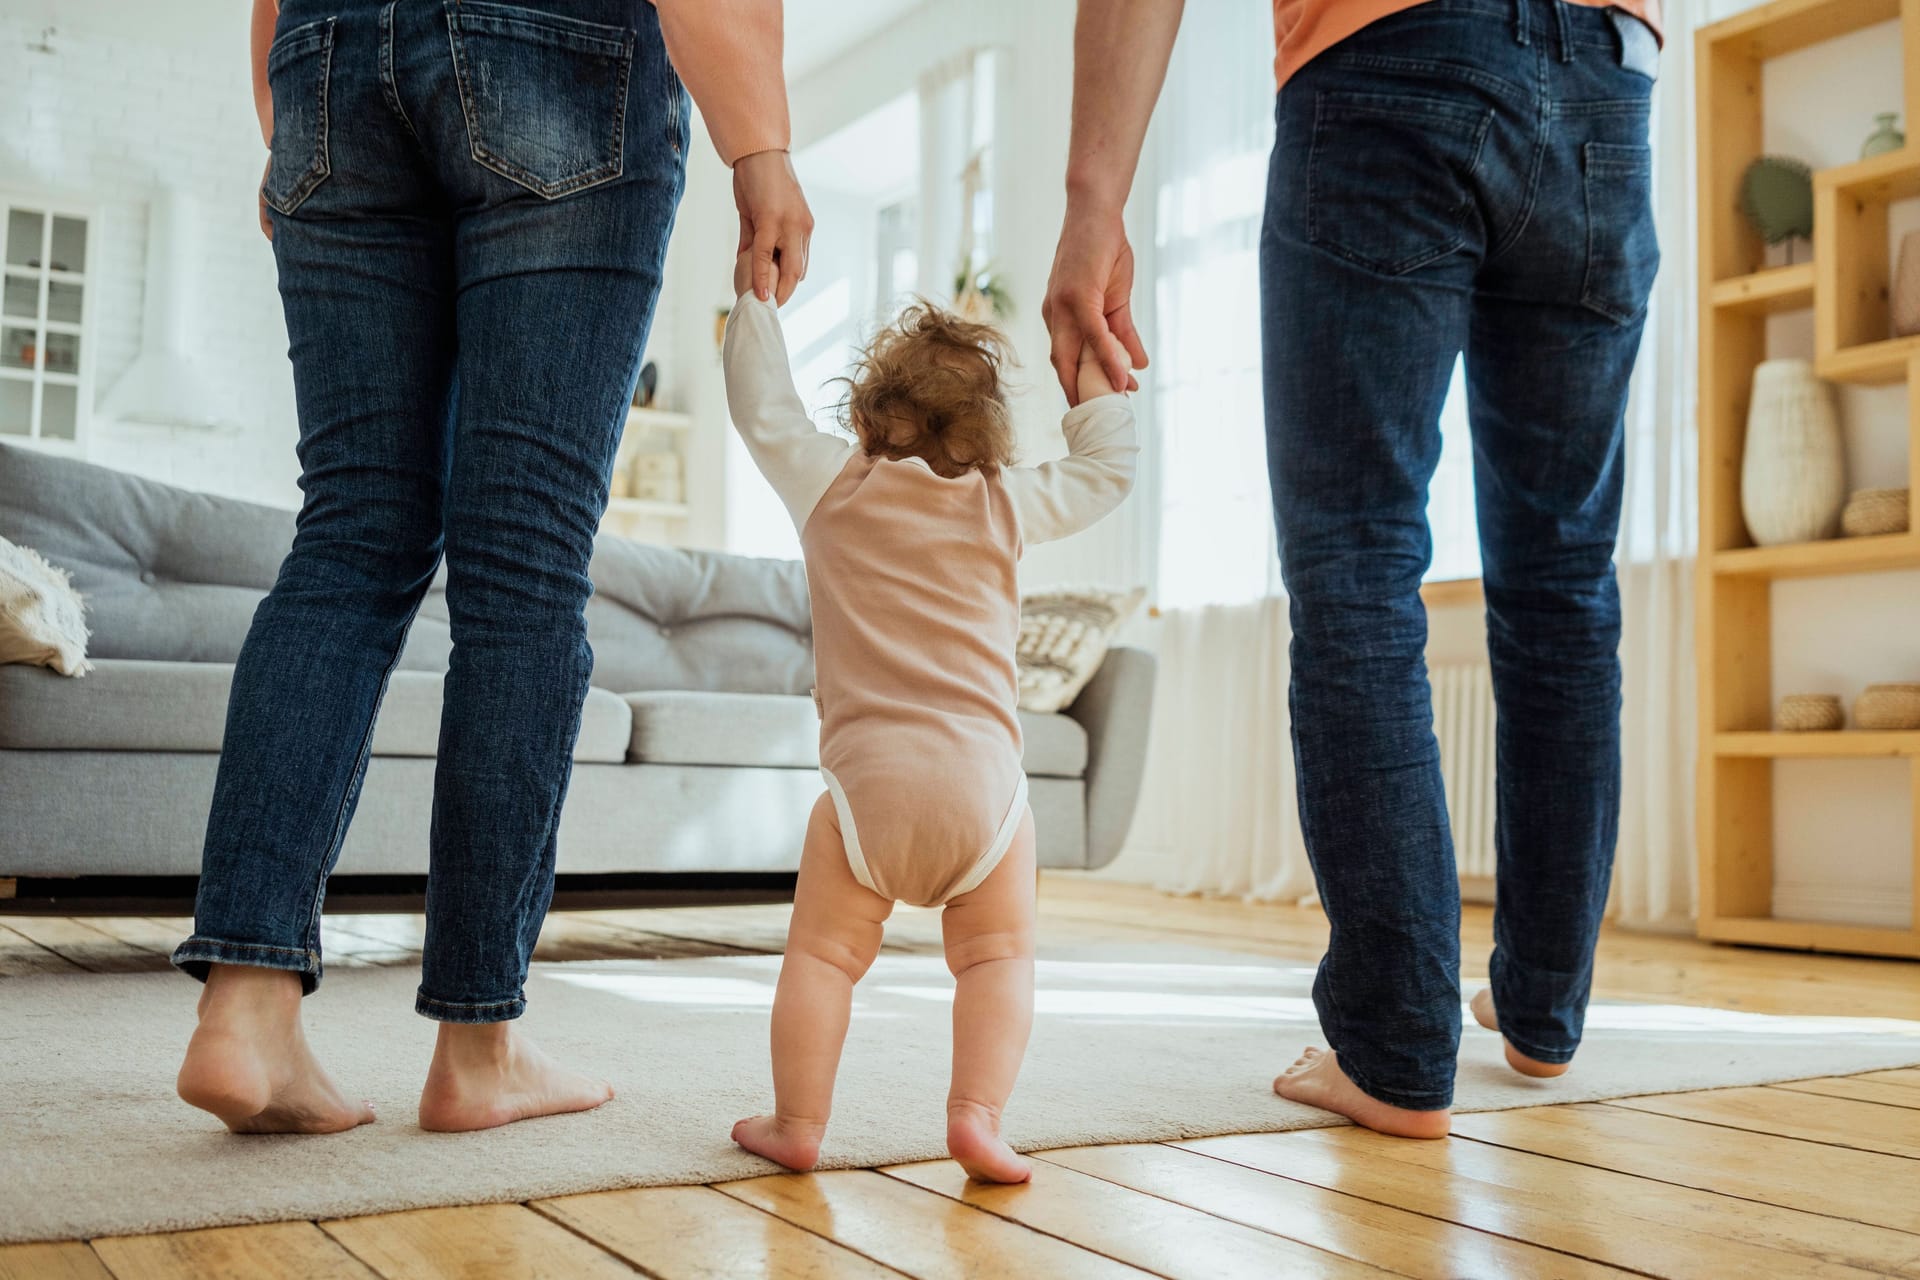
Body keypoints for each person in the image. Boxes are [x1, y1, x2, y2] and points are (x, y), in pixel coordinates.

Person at [172, 0, 812, 1135]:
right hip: (553, 46)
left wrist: (287, 116)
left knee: (350, 533)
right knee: (522, 569)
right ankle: (479, 1046)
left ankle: (246, 999)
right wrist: (759, 145)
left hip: (330, 53)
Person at [1044, 0, 1661, 1137]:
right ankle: (1540, 1014)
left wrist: (1095, 202)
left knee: (1357, 568)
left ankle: (1395, 1045)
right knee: (1565, 578)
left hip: (1391, 64)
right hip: (1605, 82)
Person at [720, 258, 1137, 1181]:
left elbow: (761, 406)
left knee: (824, 960)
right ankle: (978, 1118)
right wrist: (1091, 382)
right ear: (990, 428)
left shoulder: (832, 483)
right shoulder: (1005, 503)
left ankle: (797, 1123)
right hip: (986, 795)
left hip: (867, 790)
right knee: (997, 961)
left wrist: (756, 300)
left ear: (868, 410)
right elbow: (1110, 471)